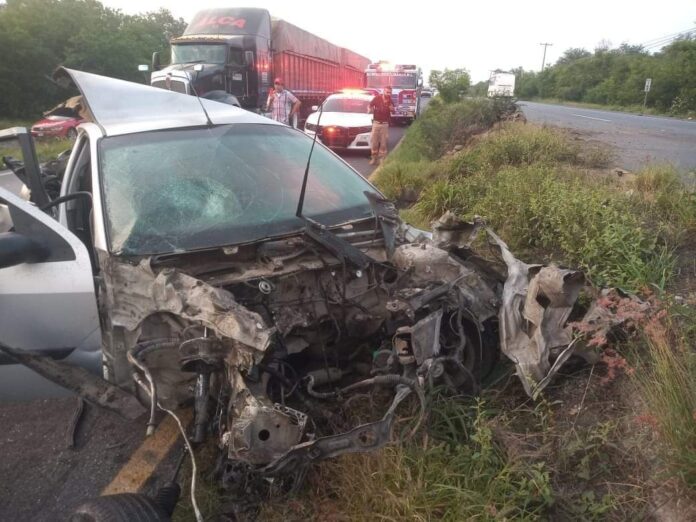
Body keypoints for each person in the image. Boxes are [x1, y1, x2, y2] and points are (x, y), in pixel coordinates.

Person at [368, 86, 394, 165]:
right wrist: (369, 109)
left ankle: (382, 158)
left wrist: (391, 108)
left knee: (383, 142)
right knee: (374, 142)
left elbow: (393, 111)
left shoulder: (390, 101)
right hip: (376, 123)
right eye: (387, 92)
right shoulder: (377, 98)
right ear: (384, 91)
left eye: (390, 92)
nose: (388, 94)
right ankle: (373, 158)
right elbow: (370, 105)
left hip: (385, 124)